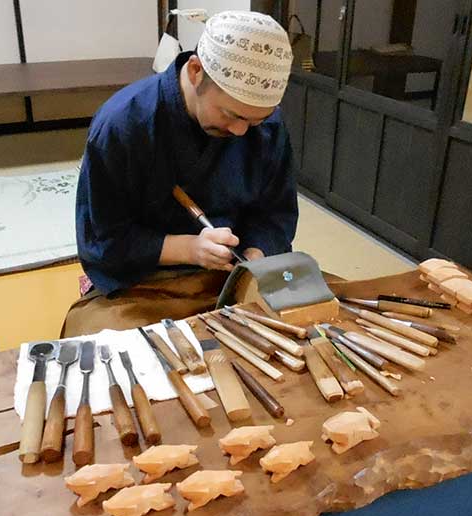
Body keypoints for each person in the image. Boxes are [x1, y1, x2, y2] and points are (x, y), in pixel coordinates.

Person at [62, 11, 297, 337]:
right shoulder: (124, 124)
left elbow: (275, 214)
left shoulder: (268, 126)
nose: (241, 131)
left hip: (236, 275)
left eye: (255, 120)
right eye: (231, 114)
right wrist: (191, 249)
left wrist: (254, 259)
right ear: (196, 71)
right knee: (106, 345)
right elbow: (105, 240)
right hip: (148, 282)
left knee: (323, 315)